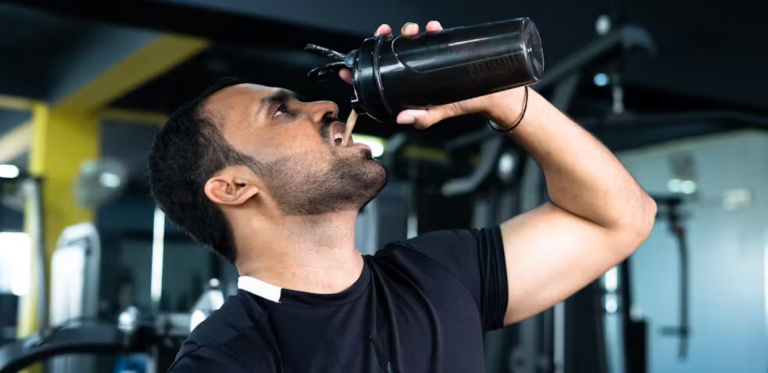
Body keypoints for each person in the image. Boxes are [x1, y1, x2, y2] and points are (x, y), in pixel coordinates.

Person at [149, 20, 656, 373]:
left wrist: (500, 97)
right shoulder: (229, 359)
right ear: (234, 187)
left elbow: (620, 218)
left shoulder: (437, 274)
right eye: (281, 112)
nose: (325, 105)